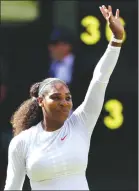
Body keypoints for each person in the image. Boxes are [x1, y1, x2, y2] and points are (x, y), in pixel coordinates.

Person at [4, 5, 124, 190]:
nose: (65, 102)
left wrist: (116, 40)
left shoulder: (81, 124)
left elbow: (100, 78)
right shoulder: (22, 142)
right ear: (41, 101)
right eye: (56, 97)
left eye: (68, 97)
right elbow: (12, 187)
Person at [47, 25, 93, 110]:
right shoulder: (49, 67)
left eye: (55, 44)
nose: (51, 48)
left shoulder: (84, 66)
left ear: (66, 46)